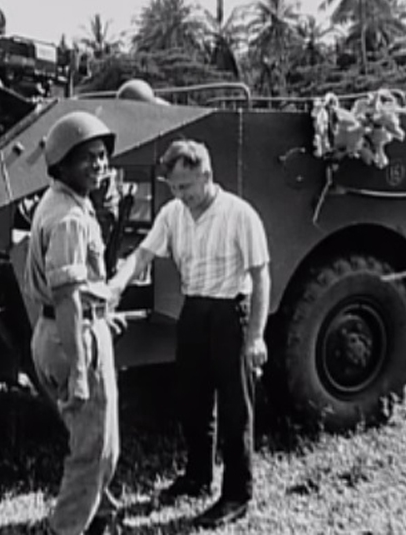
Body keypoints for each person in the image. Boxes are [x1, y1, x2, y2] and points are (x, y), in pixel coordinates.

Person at [107, 139, 270, 529]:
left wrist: (255, 336)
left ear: (207, 176)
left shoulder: (239, 215)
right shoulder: (173, 214)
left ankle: (236, 495)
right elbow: (142, 256)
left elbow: (261, 276)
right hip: (194, 312)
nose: (182, 195)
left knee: (235, 408)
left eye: (188, 187)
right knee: (193, 401)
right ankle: (197, 477)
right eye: (175, 188)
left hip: (231, 312)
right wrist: (115, 286)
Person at [24, 111, 125, 535]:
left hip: (75, 328)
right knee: (92, 453)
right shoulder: (67, 216)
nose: (99, 165)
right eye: (88, 158)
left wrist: (102, 313)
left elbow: (80, 287)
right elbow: (65, 297)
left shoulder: (68, 201)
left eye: (102, 156)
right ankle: (67, 529)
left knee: (104, 443)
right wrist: (82, 371)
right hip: (73, 338)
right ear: (62, 164)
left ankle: (102, 519)